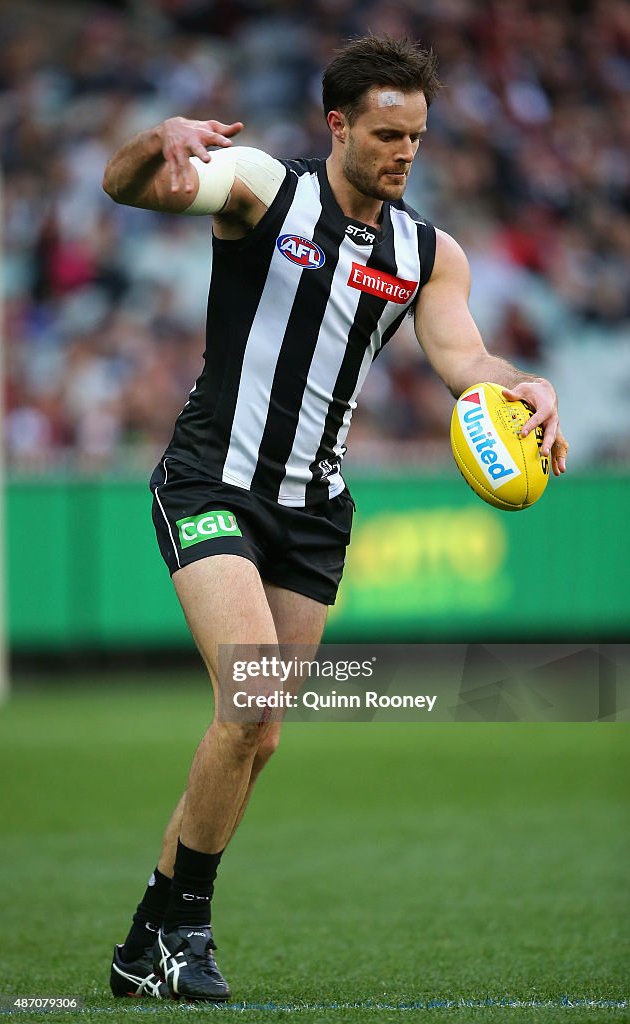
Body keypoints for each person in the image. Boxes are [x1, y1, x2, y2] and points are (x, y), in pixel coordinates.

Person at [102, 34, 568, 1002]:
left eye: (418, 138)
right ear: (339, 126)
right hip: (211, 481)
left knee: (260, 732)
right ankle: (187, 932)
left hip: (313, 510)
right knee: (250, 699)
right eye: (388, 134)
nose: (405, 153)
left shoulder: (428, 254)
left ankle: (148, 930)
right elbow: (124, 187)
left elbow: (463, 362)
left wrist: (523, 384)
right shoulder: (263, 191)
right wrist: (160, 140)